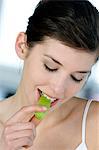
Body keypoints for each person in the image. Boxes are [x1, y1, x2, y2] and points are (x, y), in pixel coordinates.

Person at [0, 0, 99, 149]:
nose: (58, 89)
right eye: (50, 67)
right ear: (22, 47)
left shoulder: (94, 123)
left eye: (76, 77)